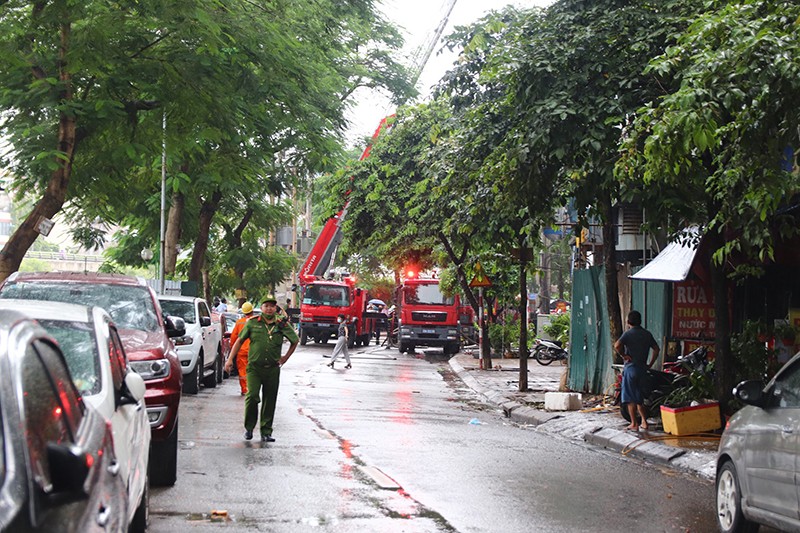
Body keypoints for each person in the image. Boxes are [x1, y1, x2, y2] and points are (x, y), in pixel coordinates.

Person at [224, 296, 299, 443]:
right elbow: (239, 340)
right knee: (252, 396)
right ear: (262, 308)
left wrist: (285, 358)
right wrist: (229, 359)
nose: (269, 308)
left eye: (272, 306)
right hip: (254, 368)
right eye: (266, 306)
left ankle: (266, 431)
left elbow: (294, 341)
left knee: (269, 400)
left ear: (275, 308)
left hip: (272, 369)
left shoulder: (281, 324)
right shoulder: (252, 323)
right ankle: (249, 428)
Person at [614, 310, 660, 431]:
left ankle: (634, 423)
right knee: (639, 398)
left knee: (630, 399)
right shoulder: (647, 334)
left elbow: (617, 345)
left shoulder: (628, 334)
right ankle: (644, 422)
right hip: (642, 369)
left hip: (631, 368)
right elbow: (656, 349)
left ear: (629, 321)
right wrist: (650, 363)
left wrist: (623, 355)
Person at [229, 301, 256, 396]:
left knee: (242, 371)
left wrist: (232, 349)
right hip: (253, 351)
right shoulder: (256, 322)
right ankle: (252, 389)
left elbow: (234, 337)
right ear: (252, 311)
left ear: (244, 312)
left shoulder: (239, 322)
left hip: (241, 351)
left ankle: (245, 389)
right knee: (253, 371)